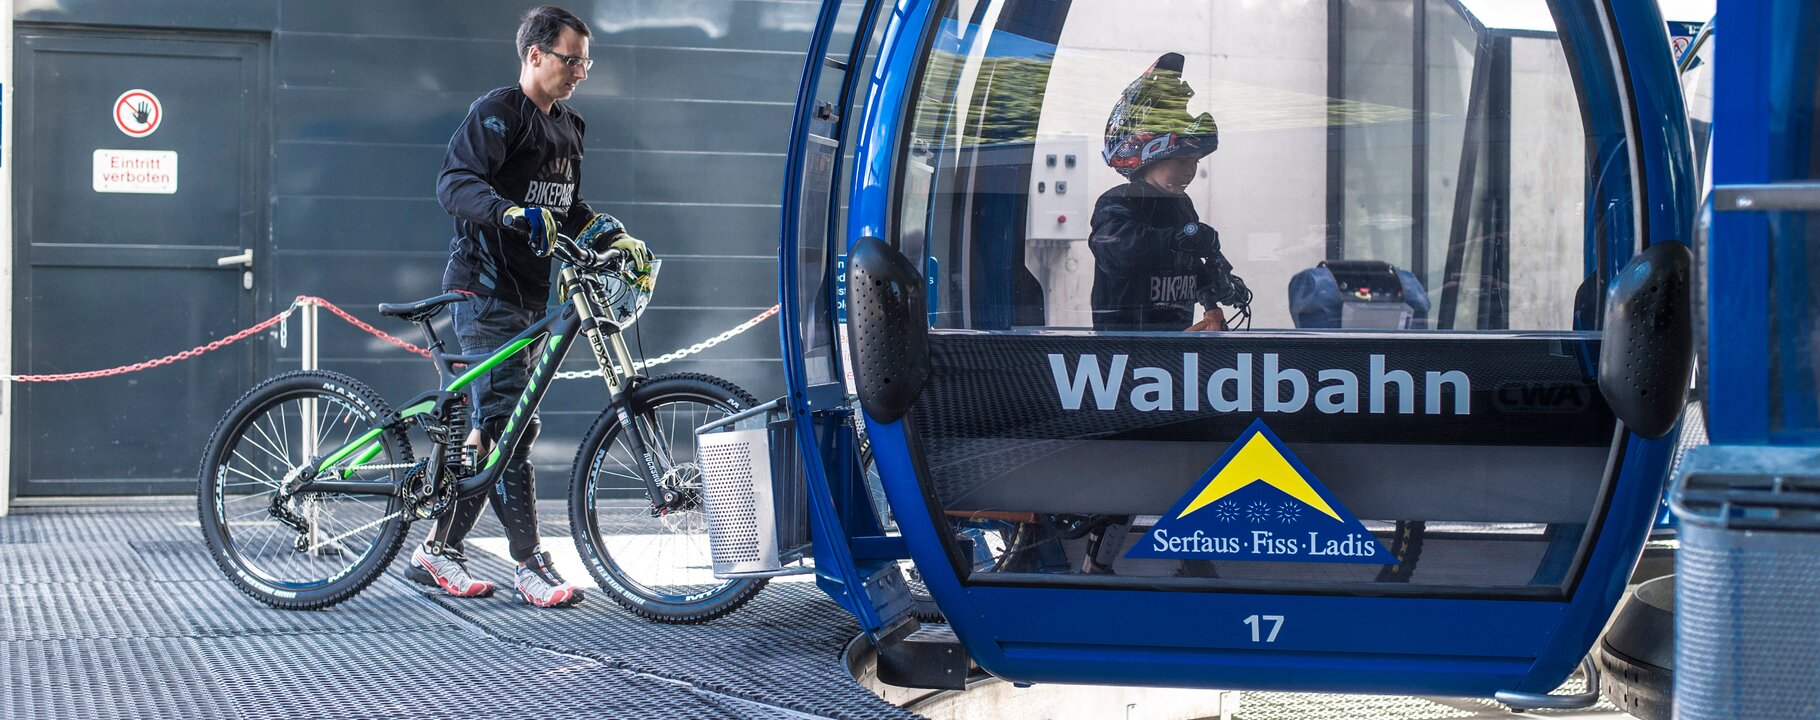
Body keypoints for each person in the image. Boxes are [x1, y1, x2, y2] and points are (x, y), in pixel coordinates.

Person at [409, 5, 652, 608]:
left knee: (501, 424)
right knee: (509, 421)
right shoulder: (496, 114)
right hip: (483, 290)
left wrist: (610, 234)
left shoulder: (570, 127)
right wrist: (512, 213)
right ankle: (527, 561)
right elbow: (456, 184)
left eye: (586, 63)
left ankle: (437, 551)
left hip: (531, 294)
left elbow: (564, 207)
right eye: (571, 60)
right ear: (534, 55)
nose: (580, 72)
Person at [1090, 52, 1250, 334]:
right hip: (1123, 350)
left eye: (1195, 162)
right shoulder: (1119, 200)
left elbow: (1188, 261)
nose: (1190, 171)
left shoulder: (1180, 204)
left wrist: (1213, 289)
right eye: (1182, 161)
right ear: (1150, 157)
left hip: (1172, 345)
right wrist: (1180, 237)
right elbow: (1118, 250)